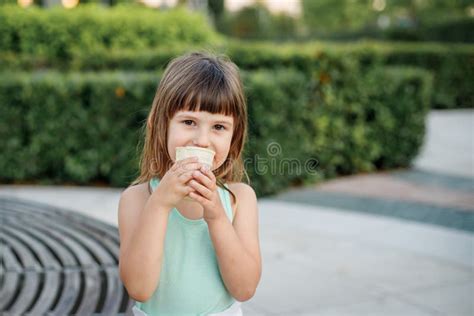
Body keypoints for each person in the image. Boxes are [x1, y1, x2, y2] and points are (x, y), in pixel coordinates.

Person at [118, 51, 262, 316]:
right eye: (188, 122)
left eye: (219, 127)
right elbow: (139, 288)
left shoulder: (239, 199)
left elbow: (244, 288)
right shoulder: (137, 199)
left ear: (235, 134)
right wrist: (159, 204)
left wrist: (217, 216)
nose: (202, 140)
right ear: (160, 125)